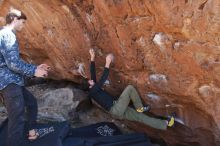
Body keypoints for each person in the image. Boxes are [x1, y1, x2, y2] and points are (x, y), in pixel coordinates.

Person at [81, 49, 175, 130]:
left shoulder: (92, 88)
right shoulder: (93, 91)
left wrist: (92, 57)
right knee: (130, 88)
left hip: (117, 110)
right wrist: (107, 62)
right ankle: (139, 107)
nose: (91, 80)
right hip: (116, 108)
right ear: (90, 86)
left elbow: (92, 73)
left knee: (140, 117)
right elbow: (103, 79)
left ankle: (166, 124)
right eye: (89, 81)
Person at [0, 8, 50, 146]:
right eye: (22, 22)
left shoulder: (1, 33)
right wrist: (34, 71)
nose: (23, 25)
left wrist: (35, 67)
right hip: (9, 83)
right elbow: (13, 63)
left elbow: (11, 61)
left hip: (10, 82)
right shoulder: (8, 35)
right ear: (15, 20)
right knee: (17, 118)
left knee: (31, 103)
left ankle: (31, 132)